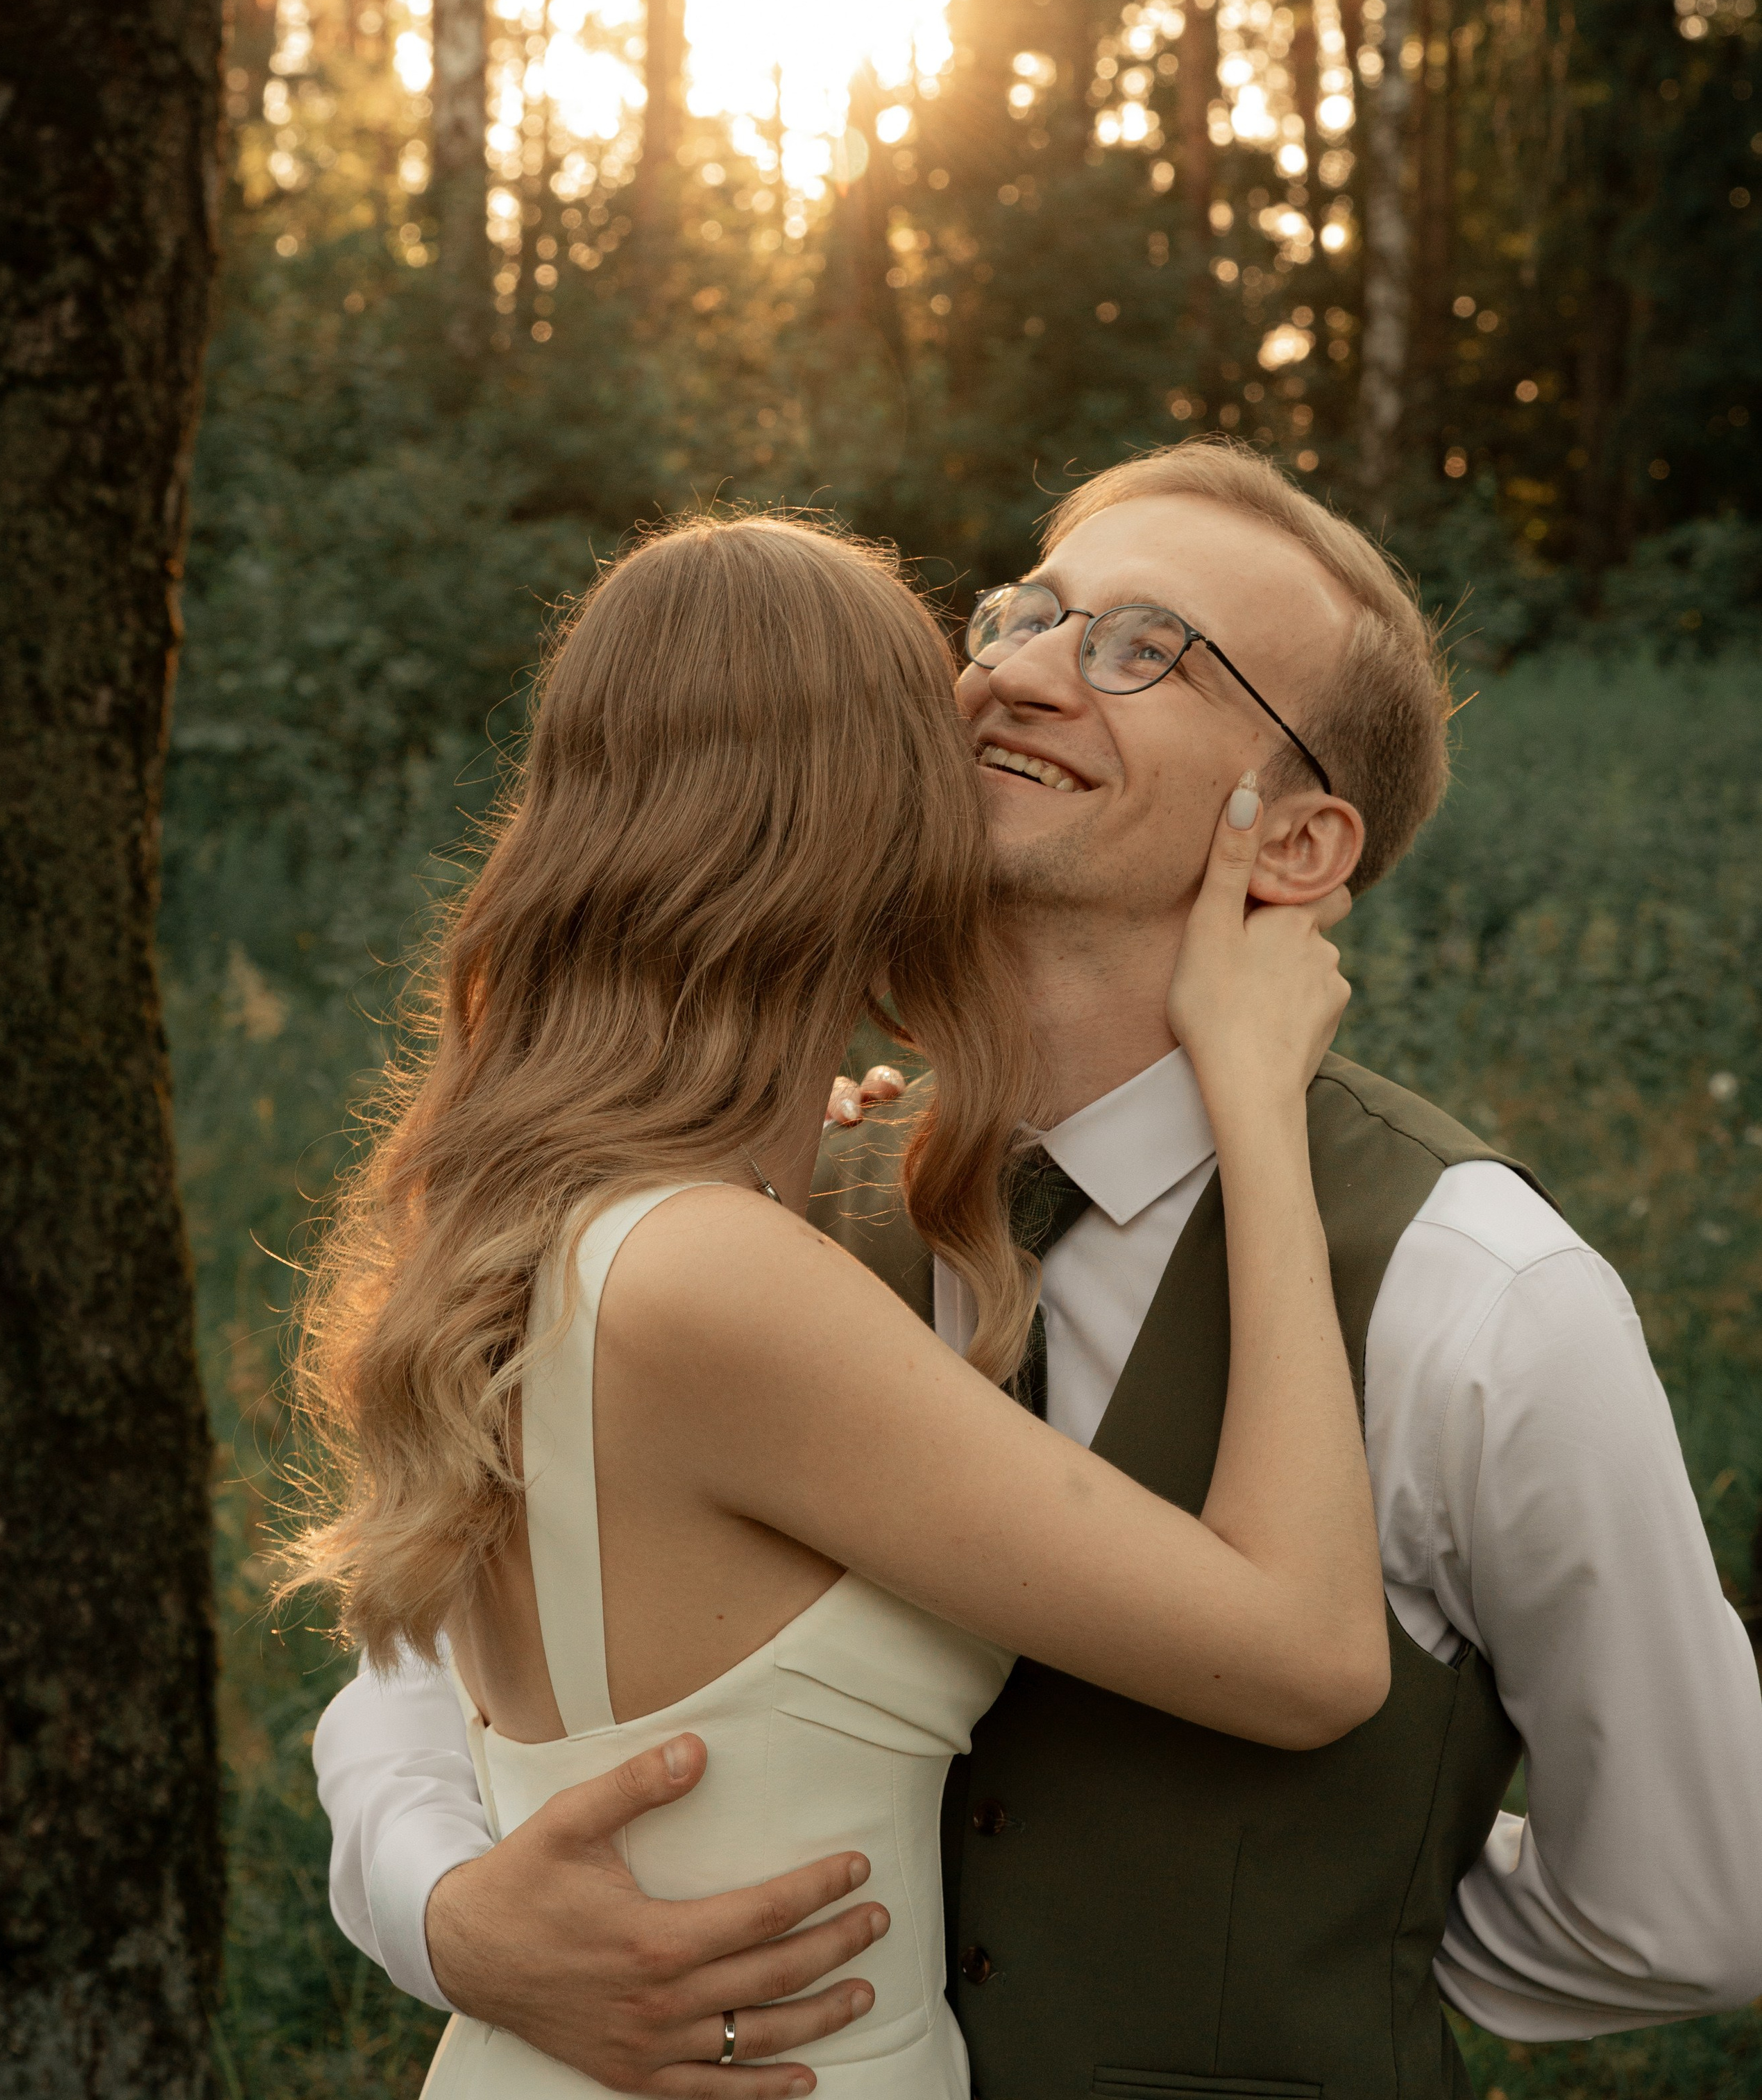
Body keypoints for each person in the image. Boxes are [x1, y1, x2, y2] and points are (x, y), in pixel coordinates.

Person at [314, 445, 1762, 2099]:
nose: (1018, 666)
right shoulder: (779, 1207)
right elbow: (424, 1634)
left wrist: (1324, 1931)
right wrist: (448, 1910)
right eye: (1026, 611)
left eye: (1144, 647)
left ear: (1292, 844)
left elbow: (1694, 1899)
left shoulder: (1482, 1297)